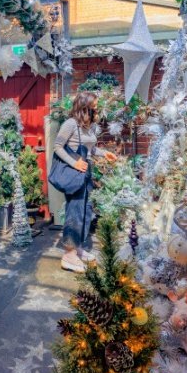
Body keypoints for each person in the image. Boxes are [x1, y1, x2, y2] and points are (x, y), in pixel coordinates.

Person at [53, 92, 116, 272]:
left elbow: (91, 149)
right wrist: (74, 162)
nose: (96, 109)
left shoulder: (87, 126)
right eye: (94, 106)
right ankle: (69, 255)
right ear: (84, 106)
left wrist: (105, 154)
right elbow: (57, 147)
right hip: (74, 173)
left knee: (86, 211)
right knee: (75, 212)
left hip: (86, 172)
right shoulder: (70, 124)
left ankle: (78, 248)